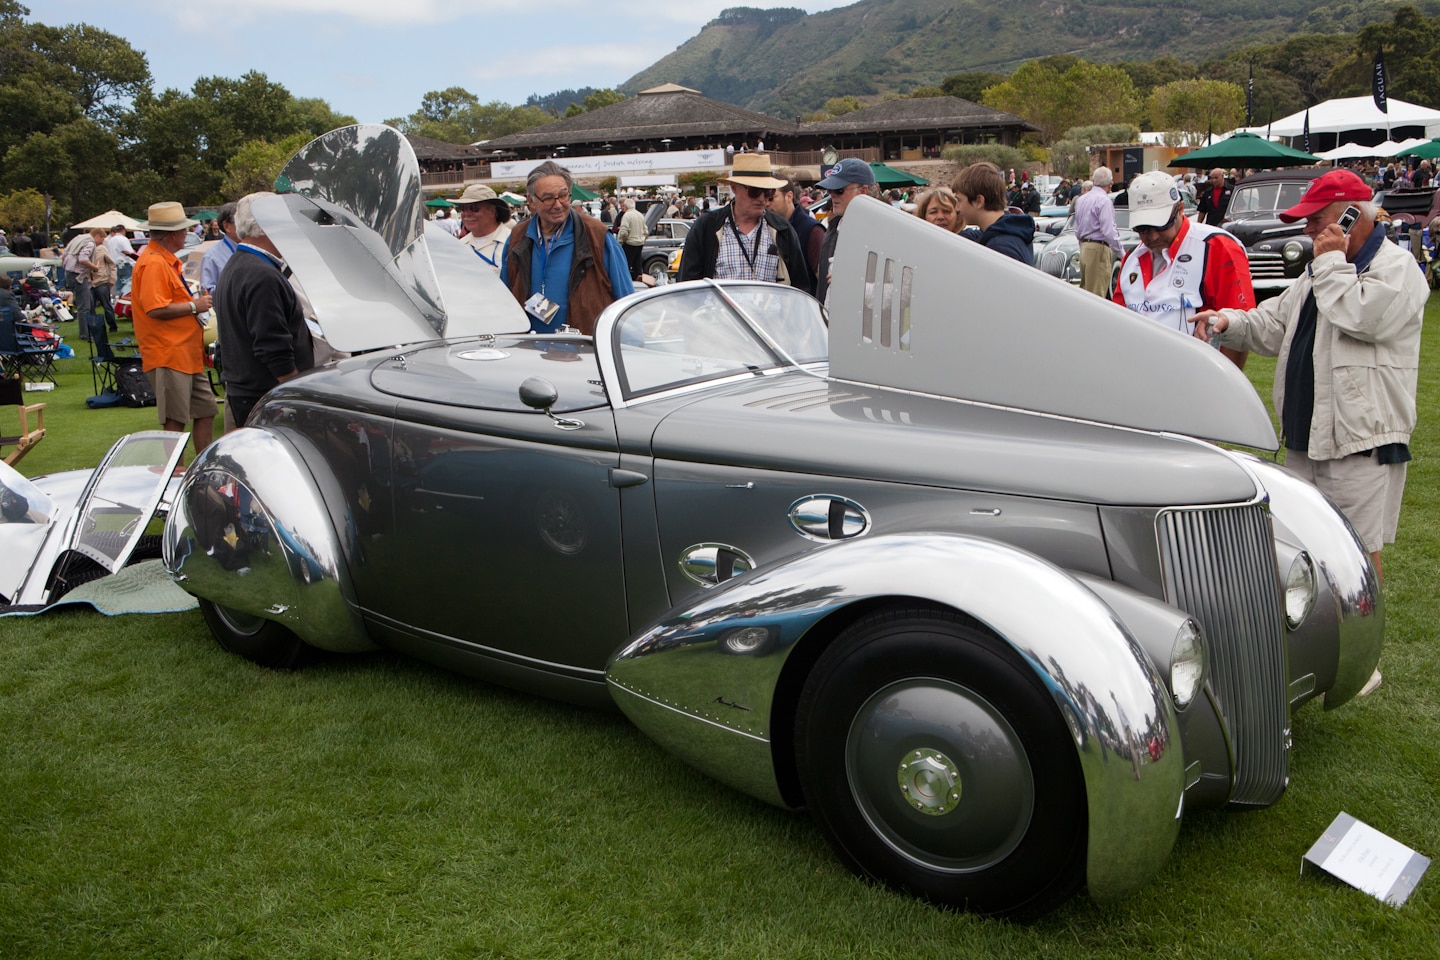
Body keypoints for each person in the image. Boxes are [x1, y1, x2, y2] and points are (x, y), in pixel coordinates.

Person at [1192, 168, 1426, 591]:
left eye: (1317, 219)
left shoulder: (1397, 268)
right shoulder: (1321, 270)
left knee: (1356, 556)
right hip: (1306, 437)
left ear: (1352, 215)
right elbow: (1275, 322)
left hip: (1359, 444)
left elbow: (1360, 317)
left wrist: (1331, 261)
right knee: (1307, 552)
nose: (1308, 228)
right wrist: (1229, 320)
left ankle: (1364, 658)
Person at [1111, 171, 1252, 369]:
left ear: (1180, 209)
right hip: (1141, 376)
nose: (1151, 236)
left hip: (1198, 377)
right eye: (1142, 228)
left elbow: (1240, 329)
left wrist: (1224, 388)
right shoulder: (1131, 258)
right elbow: (1118, 322)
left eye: (1160, 225)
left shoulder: (1218, 247)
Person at [214, 192, 314, 430]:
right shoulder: (261, 274)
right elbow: (271, 344)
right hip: (266, 394)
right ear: (269, 226)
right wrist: (292, 389)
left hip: (249, 391)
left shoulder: (239, 264)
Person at [499, 161, 633, 335]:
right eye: (548, 198)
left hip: (584, 352)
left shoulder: (597, 237)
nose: (558, 204)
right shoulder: (517, 238)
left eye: (563, 196)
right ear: (532, 202)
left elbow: (625, 301)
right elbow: (505, 298)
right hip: (529, 352)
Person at [129, 201, 217, 463]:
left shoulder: (164, 262)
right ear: (172, 235)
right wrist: (195, 305)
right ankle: (173, 474)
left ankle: (203, 466)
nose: (186, 235)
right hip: (168, 353)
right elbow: (155, 309)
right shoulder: (154, 263)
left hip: (186, 353)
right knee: (175, 420)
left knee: (207, 410)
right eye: (183, 231)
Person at [678, 154, 809, 290]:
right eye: (755, 191)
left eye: (767, 192)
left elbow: (800, 286)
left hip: (771, 311)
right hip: (720, 311)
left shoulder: (782, 229)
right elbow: (687, 287)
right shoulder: (706, 227)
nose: (762, 198)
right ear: (734, 188)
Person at [814, 157, 877, 303]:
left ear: (863, 191)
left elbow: (903, 292)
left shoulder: (884, 233)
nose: (832, 194)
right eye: (830, 189)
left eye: (839, 190)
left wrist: (854, 286)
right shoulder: (833, 229)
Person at [951, 162, 1034, 265]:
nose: (956, 208)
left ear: (979, 201)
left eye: (959, 200)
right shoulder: (1008, 232)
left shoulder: (999, 247)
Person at [1073, 166, 1122, 296]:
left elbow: (1077, 227)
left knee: (1085, 292)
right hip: (1098, 248)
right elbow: (1109, 231)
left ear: (1093, 181)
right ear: (1110, 184)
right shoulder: (1104, 201)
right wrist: (1121, 253)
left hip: (1084, 246)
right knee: (1097, 294)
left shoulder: (1081, 199)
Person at [769, 178, 824, 291]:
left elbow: (822, 280)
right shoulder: (767, 227)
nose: (767, 203)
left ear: (789, 196)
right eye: (764, 198)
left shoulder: (812, 230)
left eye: (771, 198)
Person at [452, 184, 512, 271]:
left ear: (492, 211)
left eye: (474, 208)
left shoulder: (513, 242)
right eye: (463, 208)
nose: (467, 214)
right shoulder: (460, 246)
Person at [61, 229, 98, 336]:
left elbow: (64, 255)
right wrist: (94, 267)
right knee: (84, 305)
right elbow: (83, 258)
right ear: (98, 236)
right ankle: (85, 333)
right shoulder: (90, 243)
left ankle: (90, 328)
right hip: (78, 275)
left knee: (88, 301)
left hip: (69, 271)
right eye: (102, 239)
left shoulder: (77, 239)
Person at [198, 202, 238, 293]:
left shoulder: (254, 249)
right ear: (227, 226)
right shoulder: (212, 256)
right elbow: (207, 292)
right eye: (241, 222)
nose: (246, 226)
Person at [87, 228, 119, 336]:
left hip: (101, 280)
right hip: (90, 281)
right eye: (102, 238)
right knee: (90, 307)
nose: (103, 241)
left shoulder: (102, 249)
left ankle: (113, 326)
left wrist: (112, 278)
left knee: (107, 305)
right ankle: (94, 328)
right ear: (97, 236)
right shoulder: (87, 248)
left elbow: (111, 264)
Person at [615, 199, 648, 279]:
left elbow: (623, 231)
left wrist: (621, 240)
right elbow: (646, 230)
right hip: (639, 243)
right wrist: (642, 238)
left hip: (629, 243)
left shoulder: (627, 215)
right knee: (637, 265)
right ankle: (639, 281)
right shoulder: (640, 215)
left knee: (625, 265)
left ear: (626, 206)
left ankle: (626, 281)